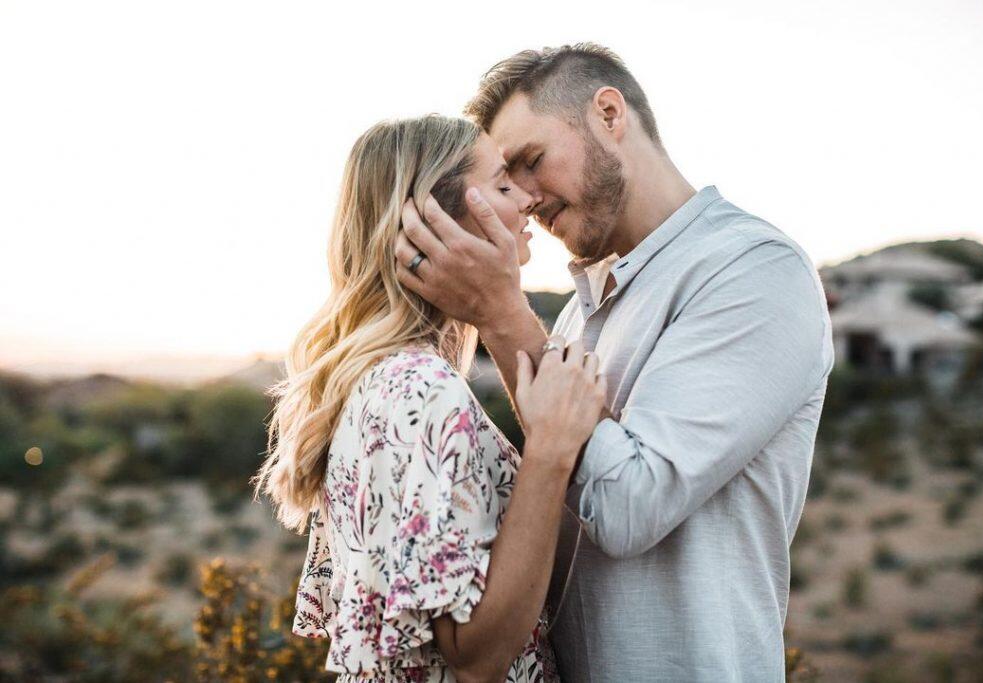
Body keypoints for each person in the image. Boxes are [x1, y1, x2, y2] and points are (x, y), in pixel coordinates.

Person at [394, 44, 835, 682]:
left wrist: (500, 314)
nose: (524, 198)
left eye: (531, 161)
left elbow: (629, 507)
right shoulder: (578, 313)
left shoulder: (753, 271)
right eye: (507, 180)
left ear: (608, 113)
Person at [251, 114, 608, 682]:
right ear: (438, 221)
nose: (529, 200)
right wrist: (549, 453)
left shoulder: (377, 379)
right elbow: (476, 655)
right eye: (502, 184)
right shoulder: (422, 391)